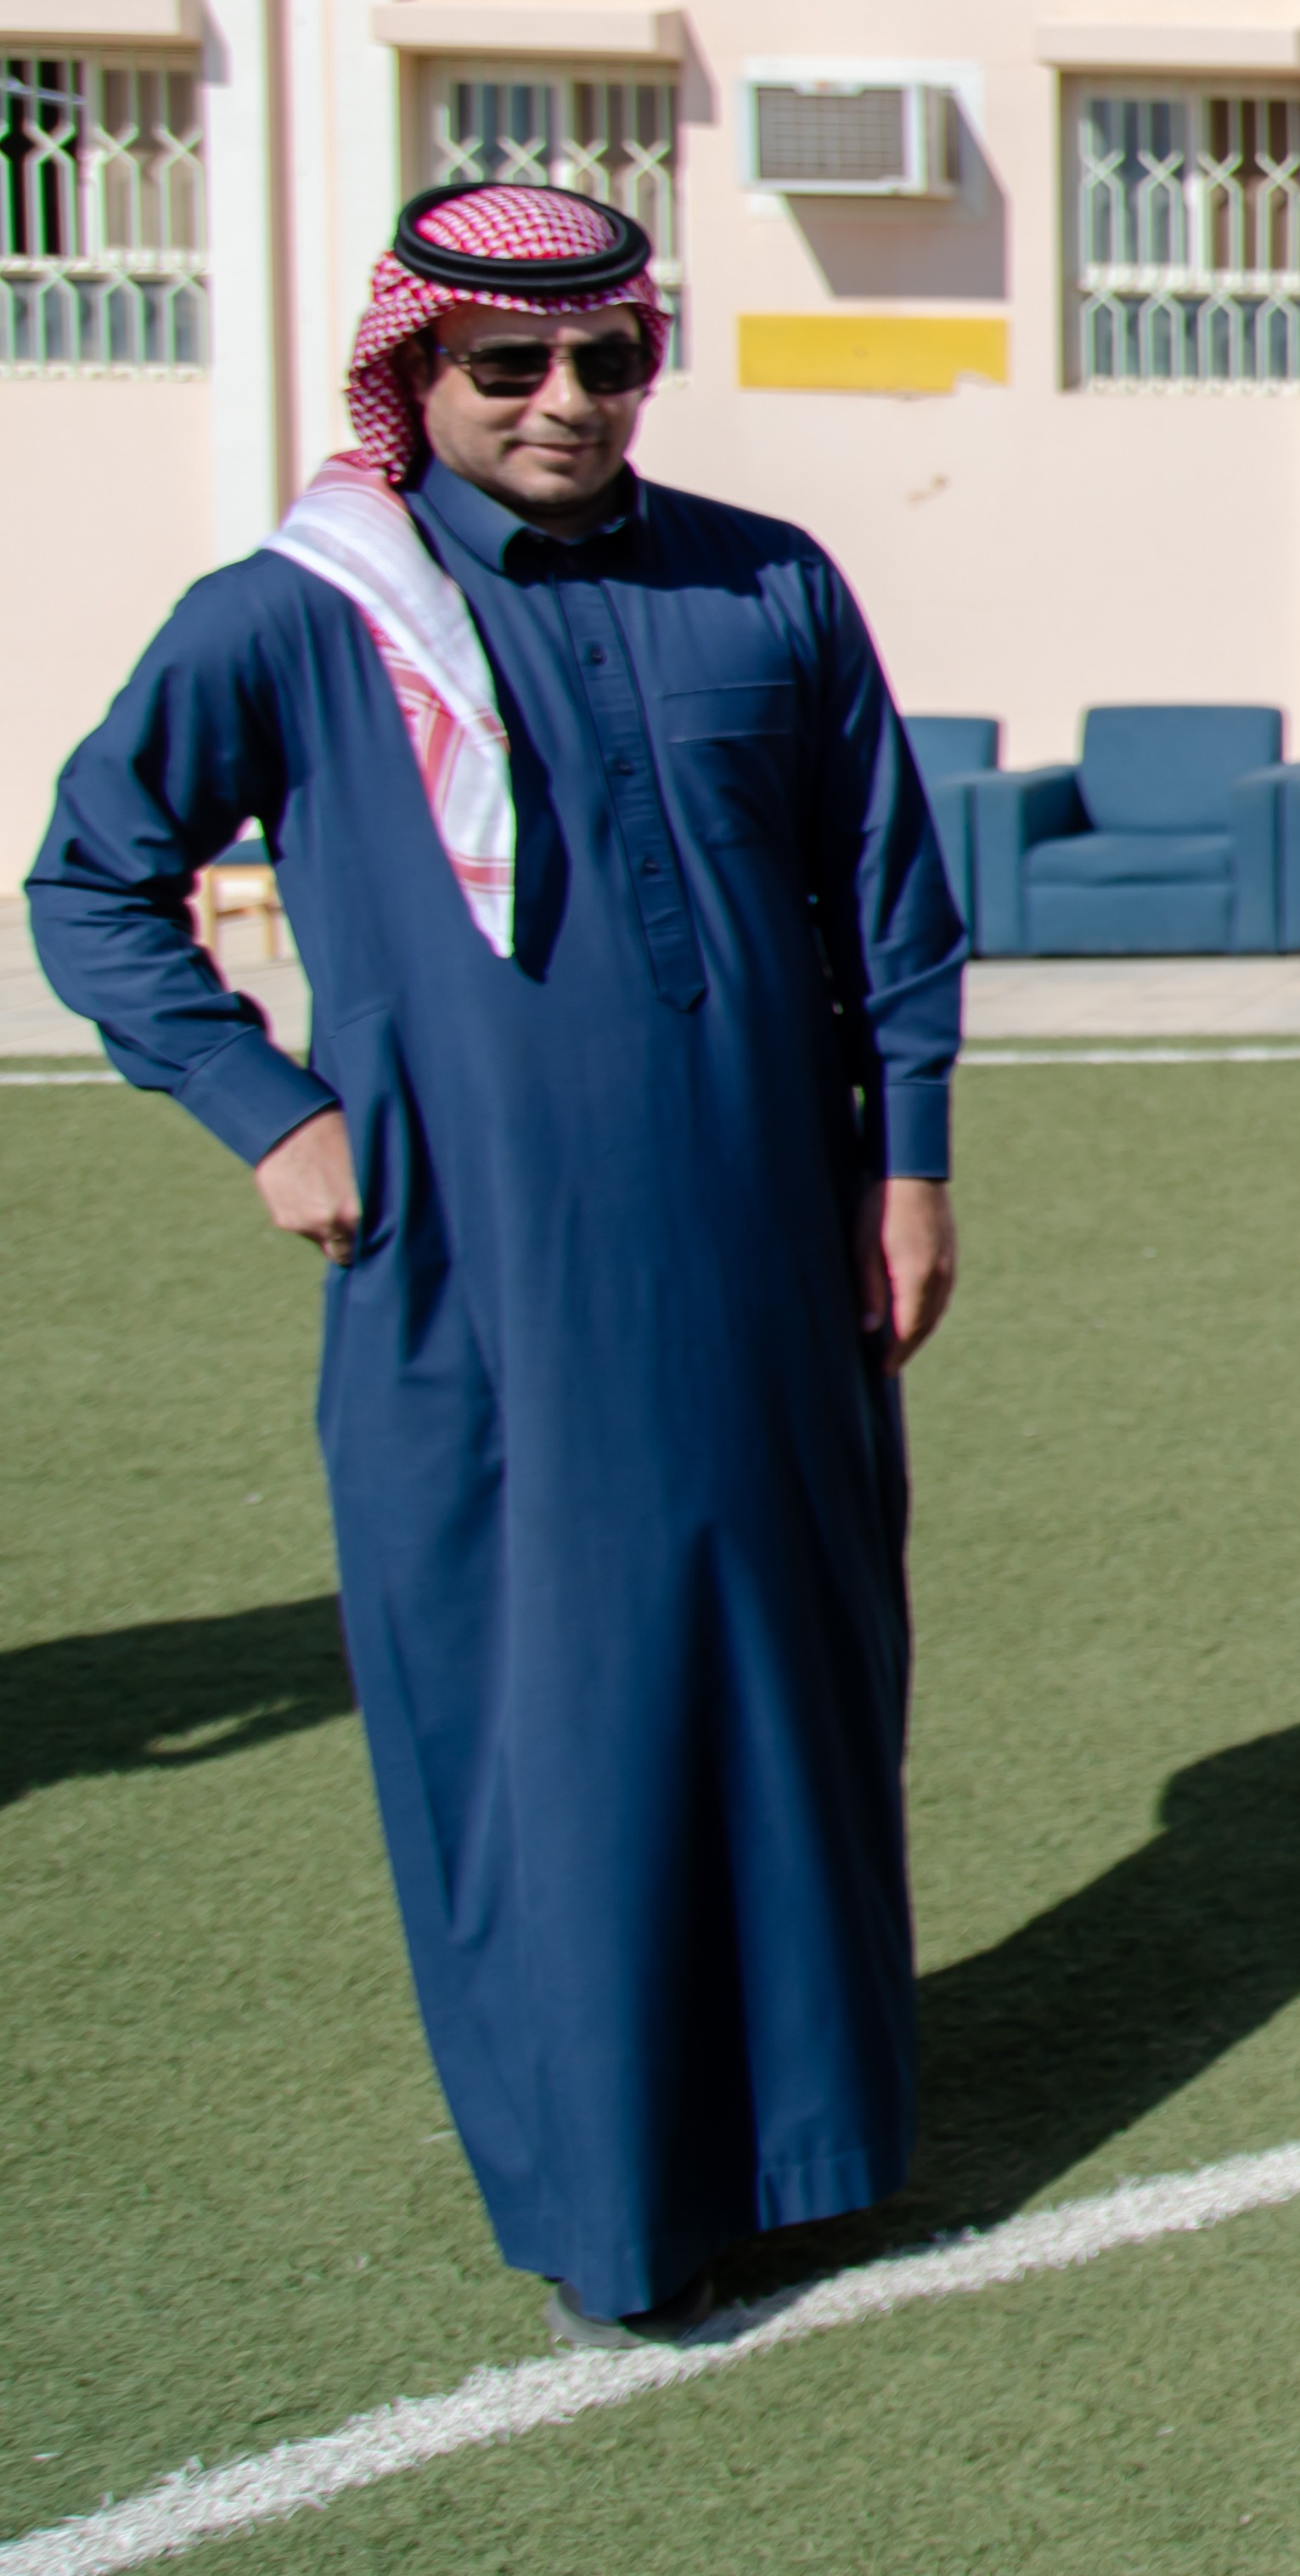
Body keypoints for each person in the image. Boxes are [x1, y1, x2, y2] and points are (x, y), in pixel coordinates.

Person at [27, 181, 965, 2346]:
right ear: (414, 370)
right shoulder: (303, 614)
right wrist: (272, 1115)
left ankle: (815, 2148)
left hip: (768, 1264)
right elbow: (94, 881)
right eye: (507, 365)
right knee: (557, 1723)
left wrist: (905, 1169)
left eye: (605, 360)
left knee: (794, 1690)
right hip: (489, 1292)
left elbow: (888, 911)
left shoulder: (769, 583)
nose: (562, 402)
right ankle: (615, 2208)